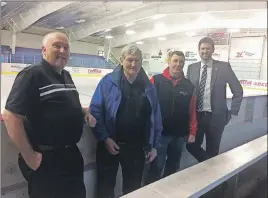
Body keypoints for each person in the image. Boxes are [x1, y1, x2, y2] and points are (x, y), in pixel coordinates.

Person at [2, 32, 96, 198]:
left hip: (71, 156)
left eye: (66, 47)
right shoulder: (32, 75)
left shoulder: (65, 75)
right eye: (57, 46)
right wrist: (29, 156)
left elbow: (69, 105)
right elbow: (10, 115)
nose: (62, 50)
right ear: (44, 50)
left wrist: (84, 112)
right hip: (48, 161)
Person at [90, 44, 162, 198]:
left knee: (133, 188)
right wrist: (105, 138)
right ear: (121, 60)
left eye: (137, 60)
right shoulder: (107, 82)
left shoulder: (148, 87)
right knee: (105, 187)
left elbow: (156, 117)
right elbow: (95, 111)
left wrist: (154, 145)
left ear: (141, 62)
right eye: (129, 60)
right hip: (110, 144)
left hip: (136, 147)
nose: (133, 64)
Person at [186, 37, 243, 162]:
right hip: (197, 117)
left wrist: (232, 112)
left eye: (208, 48)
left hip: (216, 118)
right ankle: (210, 166)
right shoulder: (191, 68)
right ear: (198, 50)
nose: (205, 51)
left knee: (213, 150)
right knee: (191, 145)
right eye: (202, 49)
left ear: (213, 50)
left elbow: (238, 90)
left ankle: (211, 177)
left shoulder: (223, 67)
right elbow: (188, 93)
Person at [147, 51, 197, 183]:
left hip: (179, 135)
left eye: (181, 62)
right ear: (168, 62)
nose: (178, 64)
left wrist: (192, 131)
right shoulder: (156, 81)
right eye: (175, 61)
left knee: (173, 167)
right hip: (160, 135)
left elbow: (192, 110)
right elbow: (147, 107)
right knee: (156, 167)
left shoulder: (188, 85)